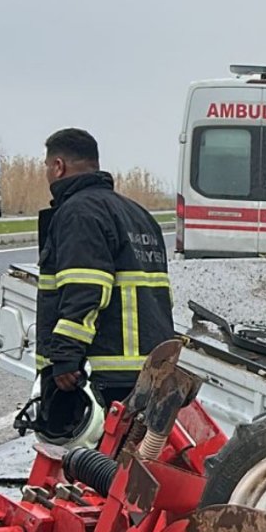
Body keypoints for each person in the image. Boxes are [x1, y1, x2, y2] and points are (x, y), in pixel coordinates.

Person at [37, 128, 173, 410]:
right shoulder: (138, 214)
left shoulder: (79, 213)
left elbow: (85, 289)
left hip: (104, 374)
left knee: (93, 454)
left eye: (47, 167)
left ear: (58, 166)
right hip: (151, 368)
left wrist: (64, 356)